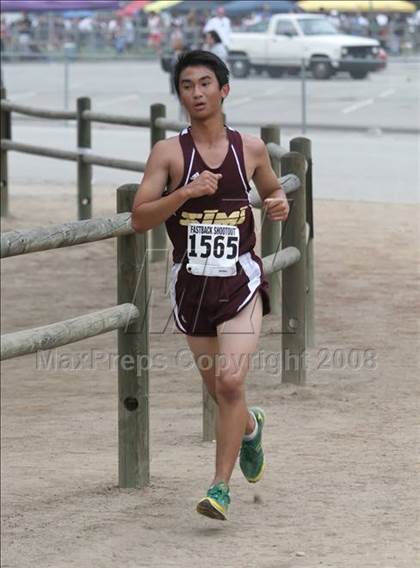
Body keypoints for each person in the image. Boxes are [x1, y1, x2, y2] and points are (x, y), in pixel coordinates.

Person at [131, 50, 289, 521]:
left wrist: (278, 203)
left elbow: (273, 190)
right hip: (192, 286)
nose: (196, 93)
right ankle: (250, 428)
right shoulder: (168, 153)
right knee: (221, 393)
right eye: (186, 86)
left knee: (230, 379)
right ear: (179, 94)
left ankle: (219, 488)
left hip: (240, 280)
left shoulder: (252, 148)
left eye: (204, 83)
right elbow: (139, 218)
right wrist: (184, 193)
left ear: (224, 89)